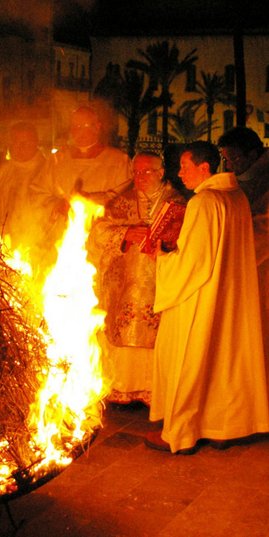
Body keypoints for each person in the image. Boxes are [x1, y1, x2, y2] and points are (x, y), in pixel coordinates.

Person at [147, 141, 269, 454]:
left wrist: (163, 254)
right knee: (222, 361)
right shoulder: (235, 196)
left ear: (205, 168)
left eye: (185, 167)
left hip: (199, 298)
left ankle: (181, 433)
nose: (179, 173)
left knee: (192, 358)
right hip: (229, 295)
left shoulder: (204, 202)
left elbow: (193, 262)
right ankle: (221, 426)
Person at [87, 152, 186, 406]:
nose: (140, 178)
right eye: (136, 173)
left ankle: (155, 392)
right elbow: (98, 231)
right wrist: (126, 232)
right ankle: (123, 388)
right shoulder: (124, 201)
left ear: (161, 172)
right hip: (126, 281)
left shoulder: (178, 202)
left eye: (146, 172)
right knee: (124, 331)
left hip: (160, 280)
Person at [218, 127, 269, 412]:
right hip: (247, 271)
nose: (230, 166)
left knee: (263, 333)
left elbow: (268, 232)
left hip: (266, 273)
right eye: (226, 160)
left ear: (254, 154)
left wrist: (225, 247)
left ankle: (264, 401)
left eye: (234, 159)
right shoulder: (245, 180)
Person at [30, 105, 131, 268]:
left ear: (97, 127)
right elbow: (37, 193)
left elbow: (125, 201)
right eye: (75, 127)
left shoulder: (118, 161)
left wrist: (88, 203)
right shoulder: (58, 159)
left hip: (101, 241)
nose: (80, 132)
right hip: (61, 240)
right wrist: (56, 206)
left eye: (85, 126)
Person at [0, 121, 47, 251]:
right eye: (18, 142)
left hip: (40, 245)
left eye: (27, 142)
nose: (22, 147)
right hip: (6, 245)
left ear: (36, 143)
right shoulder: (1, 173)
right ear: (11, 143)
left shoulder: (48, 170)